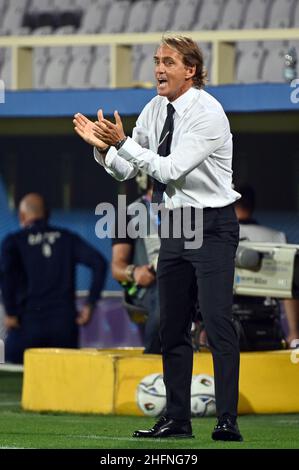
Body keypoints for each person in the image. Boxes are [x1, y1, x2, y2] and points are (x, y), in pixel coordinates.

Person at [73, 34, 242, 441]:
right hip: (175, 227)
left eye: (168, 61)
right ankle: (177, 420)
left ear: (191, 70)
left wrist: (123, 143)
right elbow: (129, 171)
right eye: (156, 61)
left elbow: (168, 171)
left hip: (212, 225)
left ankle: (227, 420)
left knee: (218, 323)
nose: (159, 69)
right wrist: (103, 151)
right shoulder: (154, 109)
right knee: (171, 326)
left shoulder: (208, 112)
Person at [0, 193, 107, 363]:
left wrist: (11, 312)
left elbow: (6, 275)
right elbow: (99, 263)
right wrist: (90, 304)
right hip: (63, 327)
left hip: (27, 325)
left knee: (17, 378)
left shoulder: (14, 242)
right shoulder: (67, 238)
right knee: (64, 381)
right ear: (48, 214)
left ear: (22, 216)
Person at [235, 185, 299, 347]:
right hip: (265, 321)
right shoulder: (276, 237)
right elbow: (288, 286)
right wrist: (293, 333)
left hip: (224, 319)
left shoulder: (217, 236)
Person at [111, 174, 161, 354]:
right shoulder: (129, 213)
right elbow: (117, 268)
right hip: (150, 288)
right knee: (167, 295)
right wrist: (135, 273)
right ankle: (154, 355)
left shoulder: (186, 212)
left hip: (182, 281)